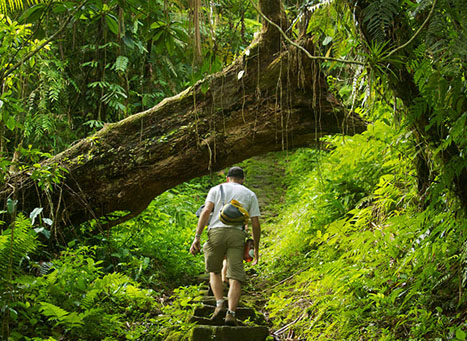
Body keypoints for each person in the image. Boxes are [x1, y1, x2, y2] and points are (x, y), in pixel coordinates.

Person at [190, 166, 261, 326]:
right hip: (237, 235)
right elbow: (255, 224)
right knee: (235, 276)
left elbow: (206, 210)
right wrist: (256, 248)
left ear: (227, 178)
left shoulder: (216, 189)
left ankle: (220, 304)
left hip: (216, 232)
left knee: (214, 271)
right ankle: (231, 313)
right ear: (242, 180)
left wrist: (197, 237)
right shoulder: (250, 194)